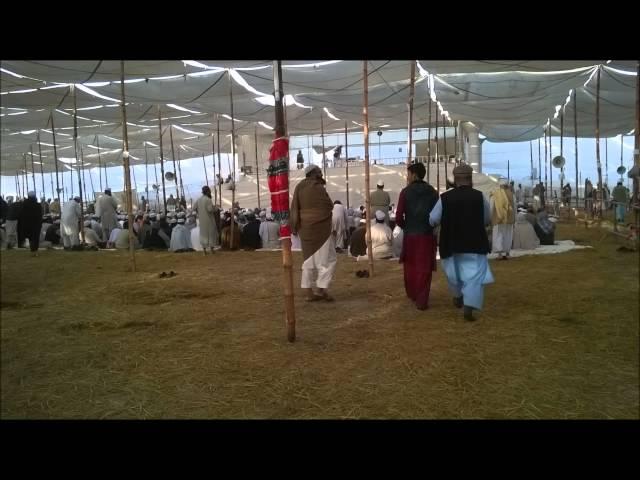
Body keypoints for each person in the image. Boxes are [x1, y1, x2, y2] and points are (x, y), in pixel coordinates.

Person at [429, 163, 494, 321]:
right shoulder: (479, 196)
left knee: (454, 274)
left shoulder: (444, 198)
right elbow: (487, 219)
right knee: (473, 277)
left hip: (451, 243)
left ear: (455, 180)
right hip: (475, 243)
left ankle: (457, 295)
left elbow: (432, 219)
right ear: (470, 179)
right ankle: (469, 306)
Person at [395, 162, 439, 310]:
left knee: (411, 267)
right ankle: (422, 300)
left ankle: (413, 294)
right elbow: (437, 215)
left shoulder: (405, 192)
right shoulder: (433, 192)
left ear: (414, 174)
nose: (407, 177)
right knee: (424, 268)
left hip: (411, 236)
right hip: (427, 235)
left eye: (408, 174)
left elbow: (399, 216)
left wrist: (406, 226)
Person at [290, 164, 336, 302]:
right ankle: (321, 290)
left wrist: (295, 225)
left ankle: (309, 292)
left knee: (308, 262)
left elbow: (294, 208)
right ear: (313, 173)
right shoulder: (317, 187)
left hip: (305, 230)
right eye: (319, 172)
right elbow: (329, 205)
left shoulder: (299, 187)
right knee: (328, 261)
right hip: (320, 230)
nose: (321, 174)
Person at [490, 179, 516, 260]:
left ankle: (500, 254)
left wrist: (491, 217)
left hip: (498, 218)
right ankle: (507, 253)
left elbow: (491, 207)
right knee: (508, 235)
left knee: (498, 235)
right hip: (509, 218)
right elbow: (515, 207)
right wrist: (514, 218)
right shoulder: (512, 194)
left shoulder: (494, 194)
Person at [193, 186, 219, 255]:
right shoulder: (208, 199)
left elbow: (194, 207)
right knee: (211, 234)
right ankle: (211, 250)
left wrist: (199, 212)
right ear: (207, 192)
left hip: (202, 220)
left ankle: (204, 251)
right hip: (209, 220)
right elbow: (210, 209)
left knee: (203, 235)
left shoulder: (199, 199)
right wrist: (216, 207)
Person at [20, 192, 43, 256]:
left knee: (30, 237)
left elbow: (22, 215)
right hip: (36, 224)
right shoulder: (37, 205)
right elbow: (39, 216)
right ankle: (35, 251)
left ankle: (32, 249)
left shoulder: (24, 204)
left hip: (27, 224)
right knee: (35, 238)